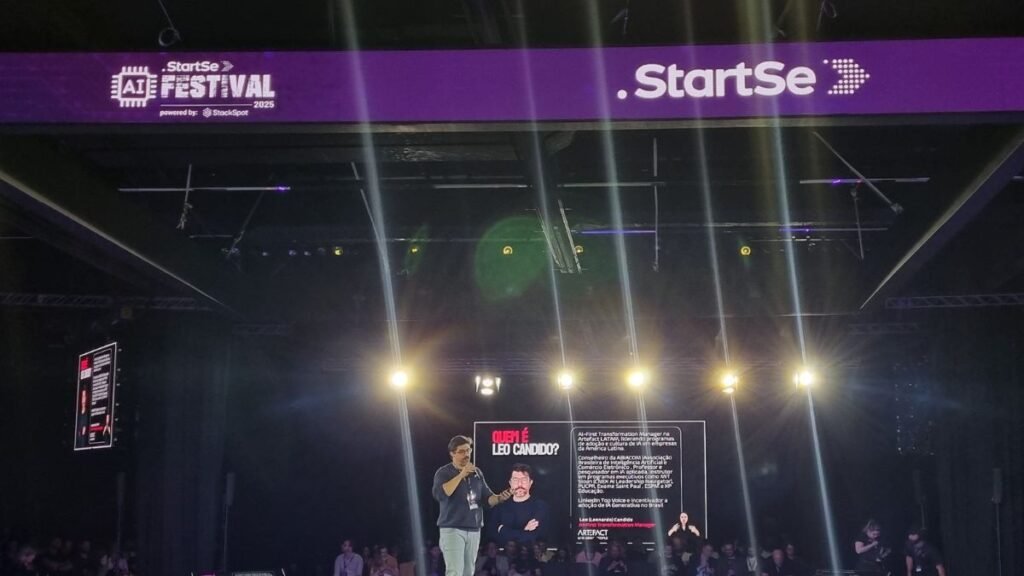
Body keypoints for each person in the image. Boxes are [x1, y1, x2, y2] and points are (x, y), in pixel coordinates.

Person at [433, 435, 512, 576]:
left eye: (468, 450)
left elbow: (487, 499)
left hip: (474, 528)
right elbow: (441, 494)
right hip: (453, 528)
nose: (467, 454)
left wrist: (500, 498)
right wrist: (461, 475)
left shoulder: (477, 473)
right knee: (455, 571)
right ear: (452, 453)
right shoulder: (444, 472)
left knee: (468, 571)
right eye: (462, 451)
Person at [492, 464, 551, 544]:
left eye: (524, 480)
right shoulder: (500, 507)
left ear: (531, 482)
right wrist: (525, 531)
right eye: (515, 480)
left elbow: (535, 537)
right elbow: (495, 538)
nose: (519, 484)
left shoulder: (540, 507)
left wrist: (504, 531)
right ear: (510, 483)